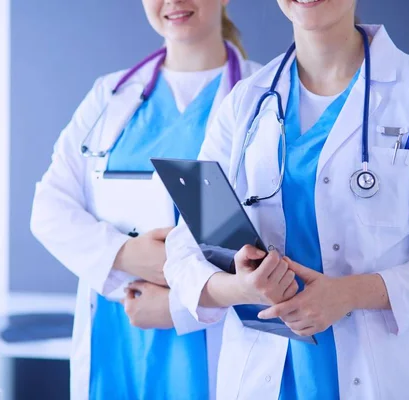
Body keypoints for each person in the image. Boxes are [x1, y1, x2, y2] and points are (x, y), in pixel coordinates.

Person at [163, 0, 409, 399]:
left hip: (380, 377)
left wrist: (348, 293)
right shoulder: (246, 102)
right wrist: (241, 288)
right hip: (263, 376)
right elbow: (184, 249)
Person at [30, 0, 261, 399]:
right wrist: (125, 254)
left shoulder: (262, 95)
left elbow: (271, 238)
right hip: (116, 331)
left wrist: (178, 302)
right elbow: (49, 209)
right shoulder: (110, 95)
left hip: (210, 330)